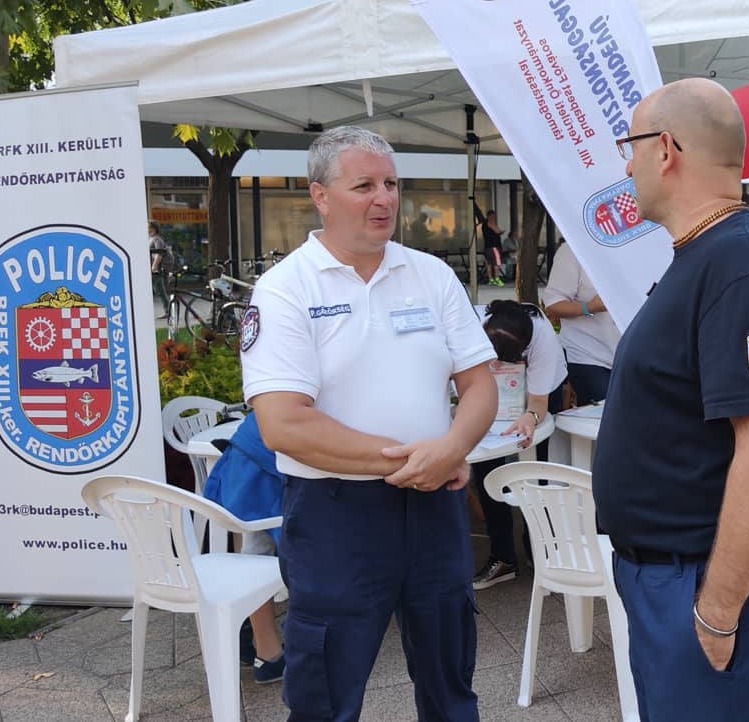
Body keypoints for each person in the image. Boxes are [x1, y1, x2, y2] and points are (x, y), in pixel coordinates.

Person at [243, 126, 499, 721]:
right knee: (326, 691)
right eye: (364, 185)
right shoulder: (285, 290)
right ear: (321, 196)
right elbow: (284, 424)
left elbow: (480, 384)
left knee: (450, 677)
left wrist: (454, 446)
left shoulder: (430, 275)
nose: (384, 198)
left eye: (391, 184)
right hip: (338, 517)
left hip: (435, 509)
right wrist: (420, 459)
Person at [593, 78, 749, 719]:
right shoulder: (713, 255)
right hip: (690, 574)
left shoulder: (739, 264)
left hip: (716, 581)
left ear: (665, 149)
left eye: (630, 146)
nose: (626, 163)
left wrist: (718, 612)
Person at [470, 300, 568, 590]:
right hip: (491, 399)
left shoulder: (542, 338)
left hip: (534, 393)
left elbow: (539, 403)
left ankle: (542, 552)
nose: (498, 366)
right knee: (488, 472)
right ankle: (502, 557)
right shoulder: (471, 322)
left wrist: (530, 417)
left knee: (537, 471)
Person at [201, 411, 287, 684]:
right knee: (304, 550)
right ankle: (284, 649)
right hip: (272, 454)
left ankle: (267, 651)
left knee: (258, 551)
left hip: (253, 451)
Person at [541, 242, 620, 405]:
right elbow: (554, 304)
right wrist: (590, 307)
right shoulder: (572, 250)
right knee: (603, 415)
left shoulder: (642, 247)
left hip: (634, 355)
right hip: (588, 354)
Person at [148, 221, 172, 318]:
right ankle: (168, 310)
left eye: (148, 227)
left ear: (153, 228)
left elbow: (159, 253)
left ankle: (168, 311)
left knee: (158, 289)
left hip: (157, 269)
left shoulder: (157, 239)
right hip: (155, 269)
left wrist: (154, 266)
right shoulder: (152, 238)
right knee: (160, 290)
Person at [476, 206, 505, 286]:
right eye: (493, 216)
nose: (494, 218)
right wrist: (502, 231)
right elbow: (498, 231)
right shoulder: (490, 223)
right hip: (494, 247)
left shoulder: (484, 225)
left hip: (487, 247)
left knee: (489, 264)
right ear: (490, 216)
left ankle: (491, 279)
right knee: (497, 263)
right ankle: (497, 279)